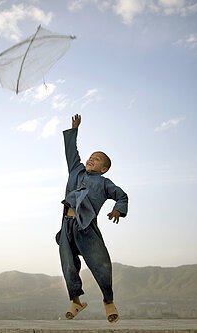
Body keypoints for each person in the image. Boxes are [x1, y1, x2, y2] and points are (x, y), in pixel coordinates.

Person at [56, 114, 128, 323]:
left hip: (86, 227)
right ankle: (76, 301)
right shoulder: (76, 171)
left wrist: (117, 210)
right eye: (91, 156)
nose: (91, 159)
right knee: (68, 264)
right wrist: (74, 129)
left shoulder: (105, 183)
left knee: (100, 263)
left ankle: (108, 301)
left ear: (103, 168)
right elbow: (72, 152)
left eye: (96, 159)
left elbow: (121, 195)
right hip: (67, 226)